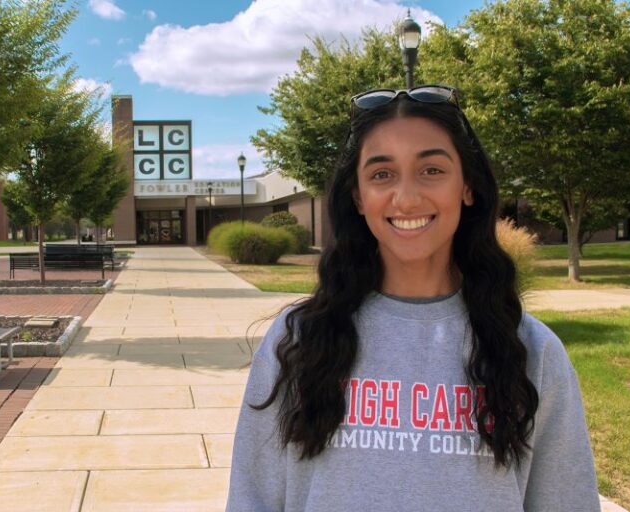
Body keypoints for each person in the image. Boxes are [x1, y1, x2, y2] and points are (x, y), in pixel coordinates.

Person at [226, 85, 599, 511]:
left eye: (432, 170)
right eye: (382, 174)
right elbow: (251, 499)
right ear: (358, 196)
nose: (406, 198)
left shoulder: (533, 352)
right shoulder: (297, 341)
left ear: (468, 187)